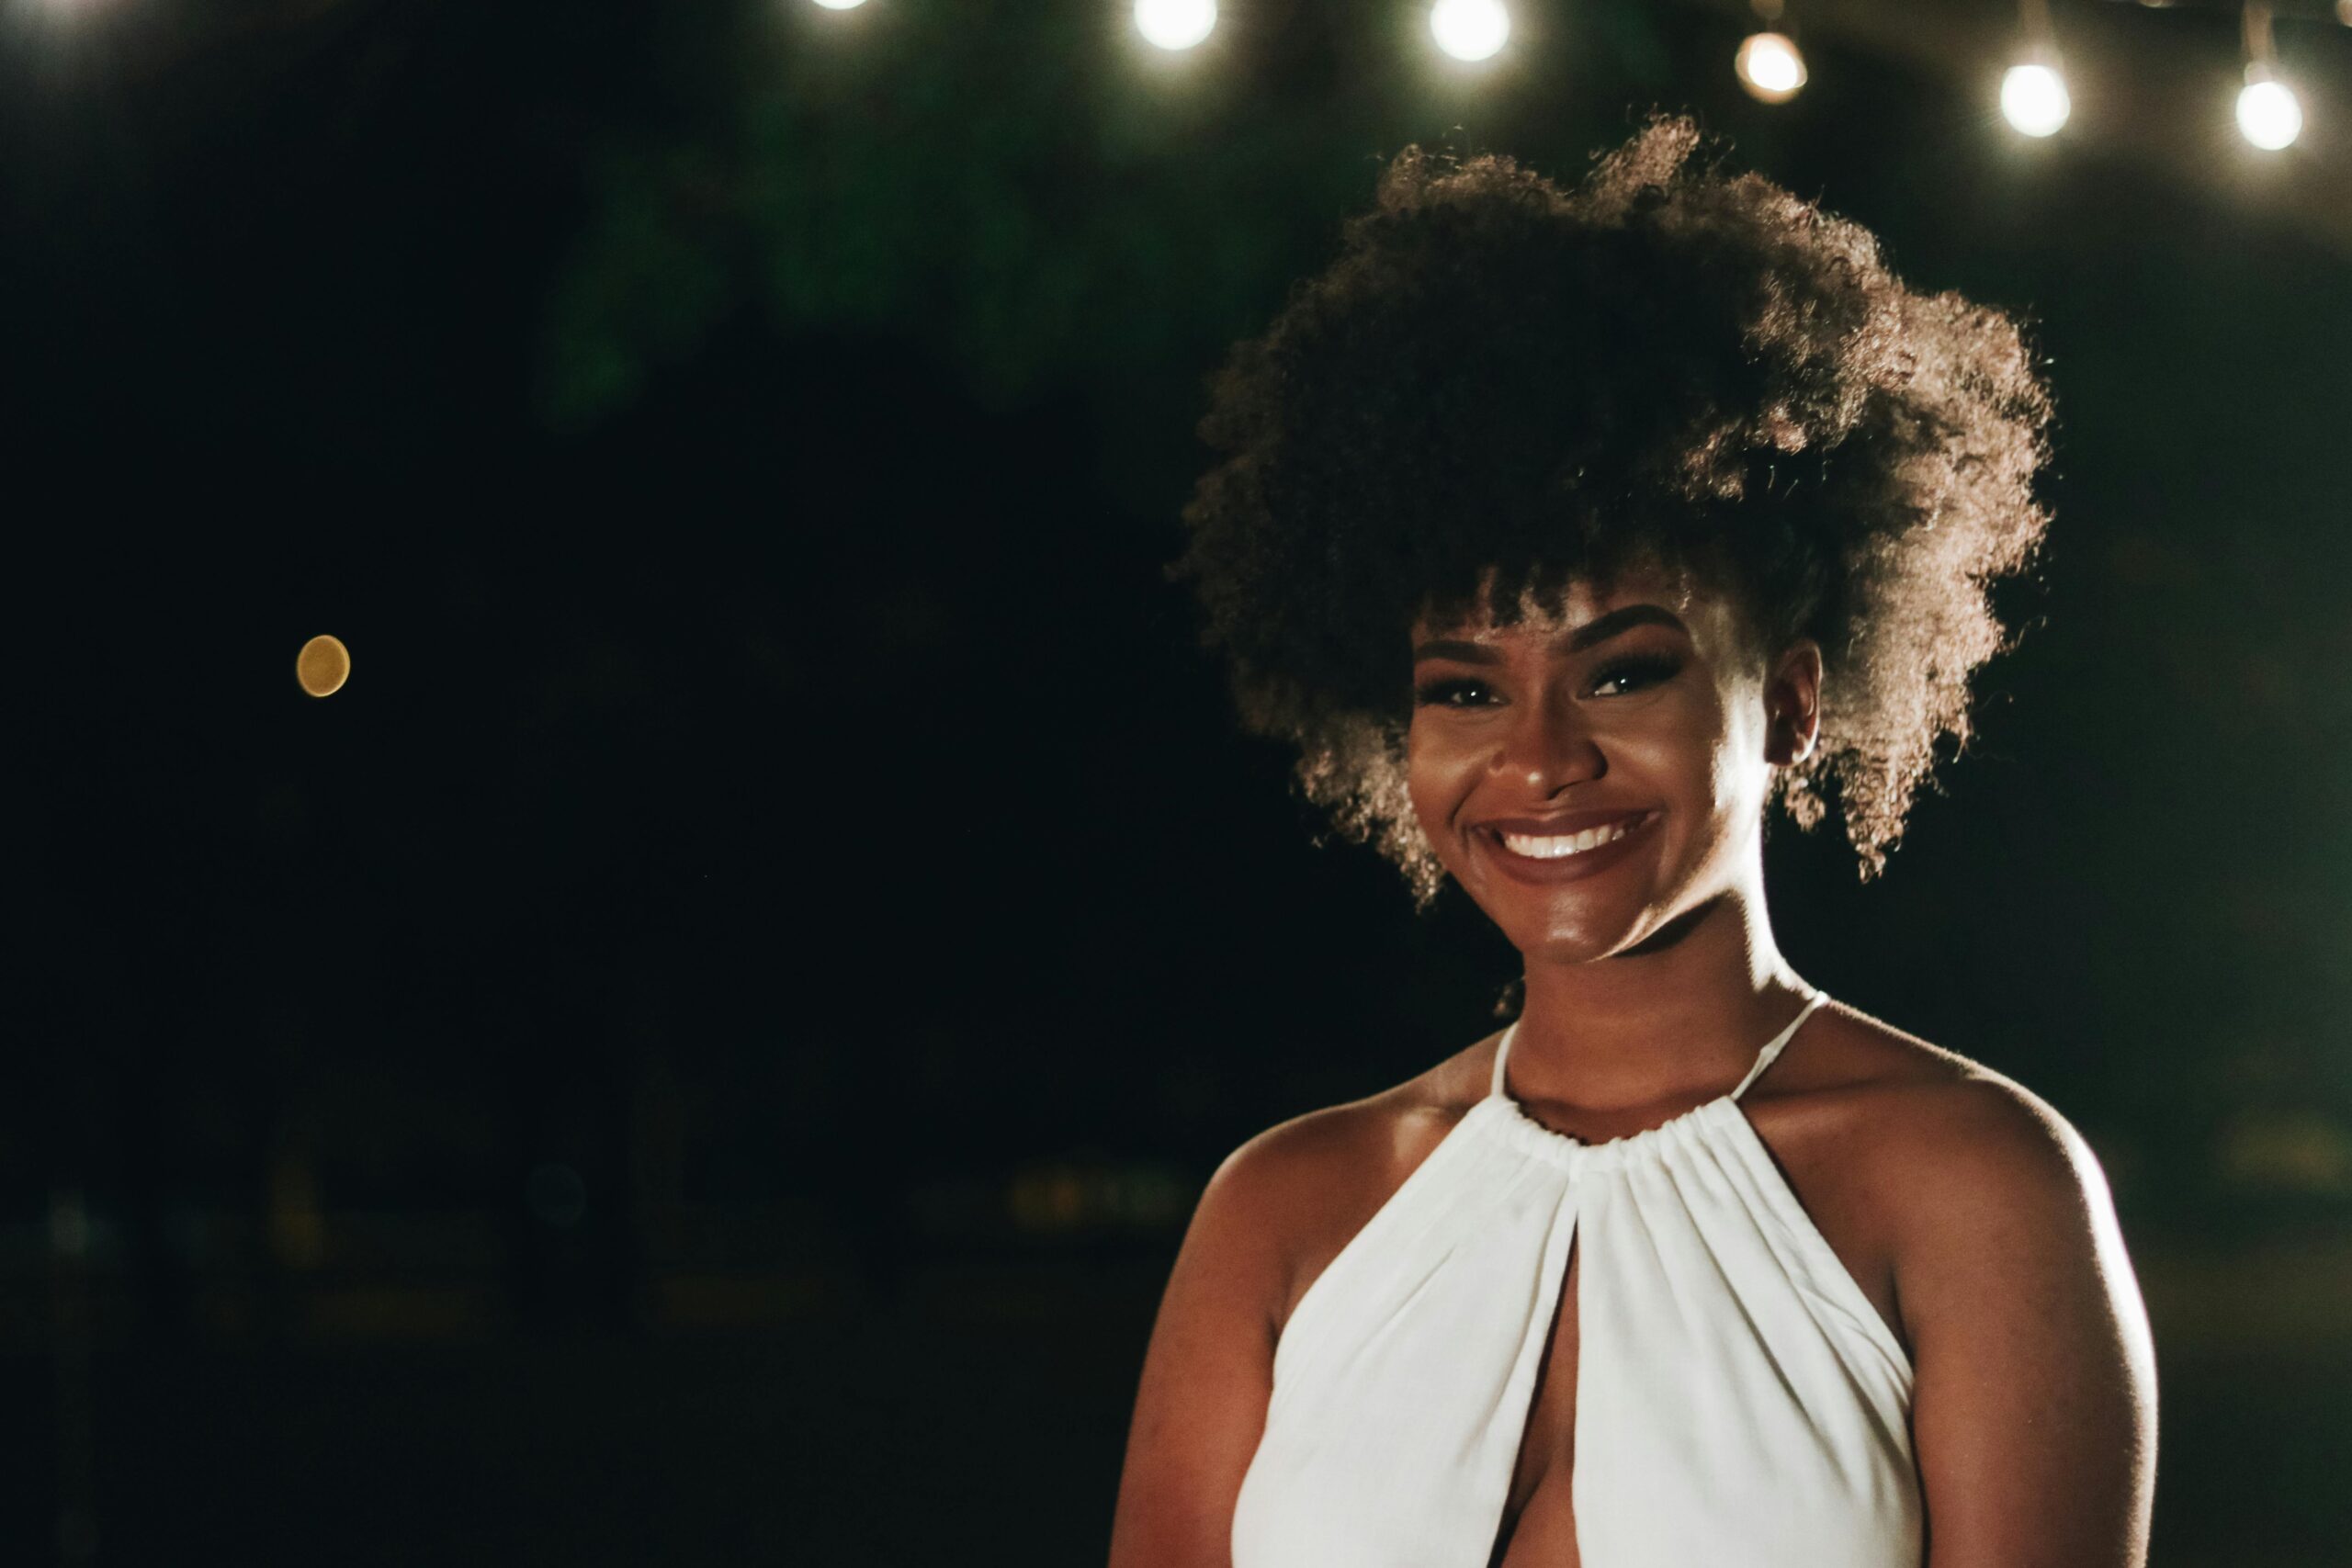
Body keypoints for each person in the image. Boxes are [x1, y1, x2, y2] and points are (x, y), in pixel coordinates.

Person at [1107, 116, 2157, 1568]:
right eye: (1465, 689)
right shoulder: (1288, 1208)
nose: (1538, 760)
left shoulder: (1975, 1183)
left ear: (1787, 700)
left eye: (1624, 672)